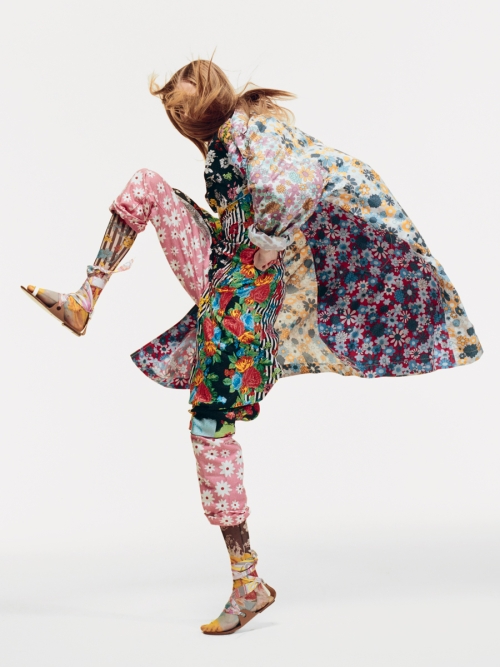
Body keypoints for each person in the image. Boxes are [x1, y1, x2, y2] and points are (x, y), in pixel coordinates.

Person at [21, 59, 483, 635]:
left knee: (210, 428)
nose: (178, 113)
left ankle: (248, 583)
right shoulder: (227, 139)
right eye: (173, 108)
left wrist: (271, 242)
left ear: (210, 93)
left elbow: (303, 181)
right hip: (223, 272)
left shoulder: (252, 130)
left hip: (245, 301)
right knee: (147, 185)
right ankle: (85, 298)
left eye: (183, 101)